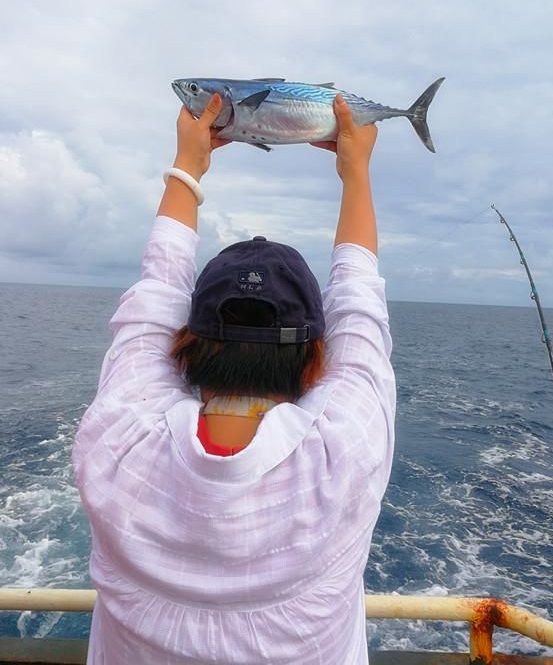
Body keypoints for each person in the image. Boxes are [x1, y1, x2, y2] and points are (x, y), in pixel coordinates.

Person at [73, 93, 396, 664]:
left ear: (185, 346)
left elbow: (156, 293)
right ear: (316, 357)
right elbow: (358, 301)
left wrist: (188, 163)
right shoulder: (345, 451)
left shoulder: (117, 445)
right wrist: (356, 172)